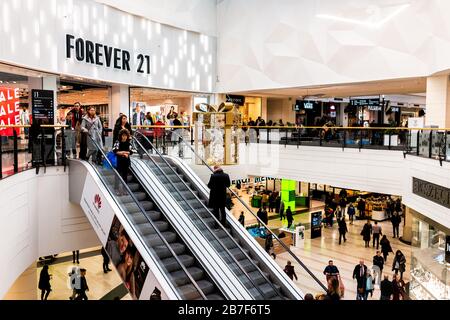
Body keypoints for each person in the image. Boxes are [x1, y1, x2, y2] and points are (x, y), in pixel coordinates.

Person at [113, 129, 133, 195]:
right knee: (117, 175)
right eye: (123, 135)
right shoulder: (117, 142)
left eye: (125, 136)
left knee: (125, 176)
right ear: (120, 136)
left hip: (126, 161)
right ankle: (116, 189)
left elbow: (131, 152)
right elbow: (115, 151)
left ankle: (125, 190)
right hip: (119, 161)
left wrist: (123, 152)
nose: (124, 137)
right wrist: (125, 153)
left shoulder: (129, 143)